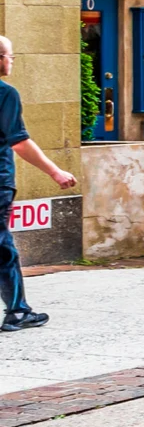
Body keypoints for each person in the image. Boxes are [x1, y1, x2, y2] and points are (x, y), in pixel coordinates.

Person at [1, 35, 78, 332]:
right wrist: (55, 172)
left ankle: (18, 309)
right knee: (3, 247)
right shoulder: (5, 93)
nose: (12, 61)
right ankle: (18, 311)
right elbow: (19, 141)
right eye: (10, 56)